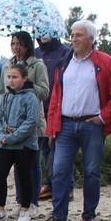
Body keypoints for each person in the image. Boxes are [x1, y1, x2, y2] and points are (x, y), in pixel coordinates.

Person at [39, 20, 111, 221]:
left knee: (91, 171)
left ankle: (88, 216)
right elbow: (55, 97)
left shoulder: (105, 62)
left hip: (92, 125)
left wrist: (102, 117)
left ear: (91, 39)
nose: (74, 38)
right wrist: (52, 127)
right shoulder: (65, 62)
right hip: (66, 124)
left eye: (79, 35)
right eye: (72, 34)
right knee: (59, 171)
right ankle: (59, 216)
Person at [1, 31, 49, 218]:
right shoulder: (8, 66)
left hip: (33, 122)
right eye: (13, 43)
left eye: (19, 43)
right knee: (17, 164)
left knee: (33, 164)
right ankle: (21, 201)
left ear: (27, 45)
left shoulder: (37, 65)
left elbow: (44, 91)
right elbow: (2, 91)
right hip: (12, 123)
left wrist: (26, 84)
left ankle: (33, 202)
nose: (15, 47)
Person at [0, 65, 41, 221]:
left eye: (15, 77)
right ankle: (0, 209)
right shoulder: (4, 97)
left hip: (24, 145)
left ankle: (25, 209)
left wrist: (12, 137)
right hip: (5, 143)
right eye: (9, 77)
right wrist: (0, 135)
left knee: (24, 175)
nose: (11, 80)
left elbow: (32, 121)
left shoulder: (31, 97)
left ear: (24, 78)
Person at [34, 33, 72, 201]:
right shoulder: (35, 53)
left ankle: (67, 187)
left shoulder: (65, 52)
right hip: (40, 107)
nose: (44, 34)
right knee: (45, 148)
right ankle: (49, 184)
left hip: (59, 106)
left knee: (60, 148)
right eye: (39, 31)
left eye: (47, 30)